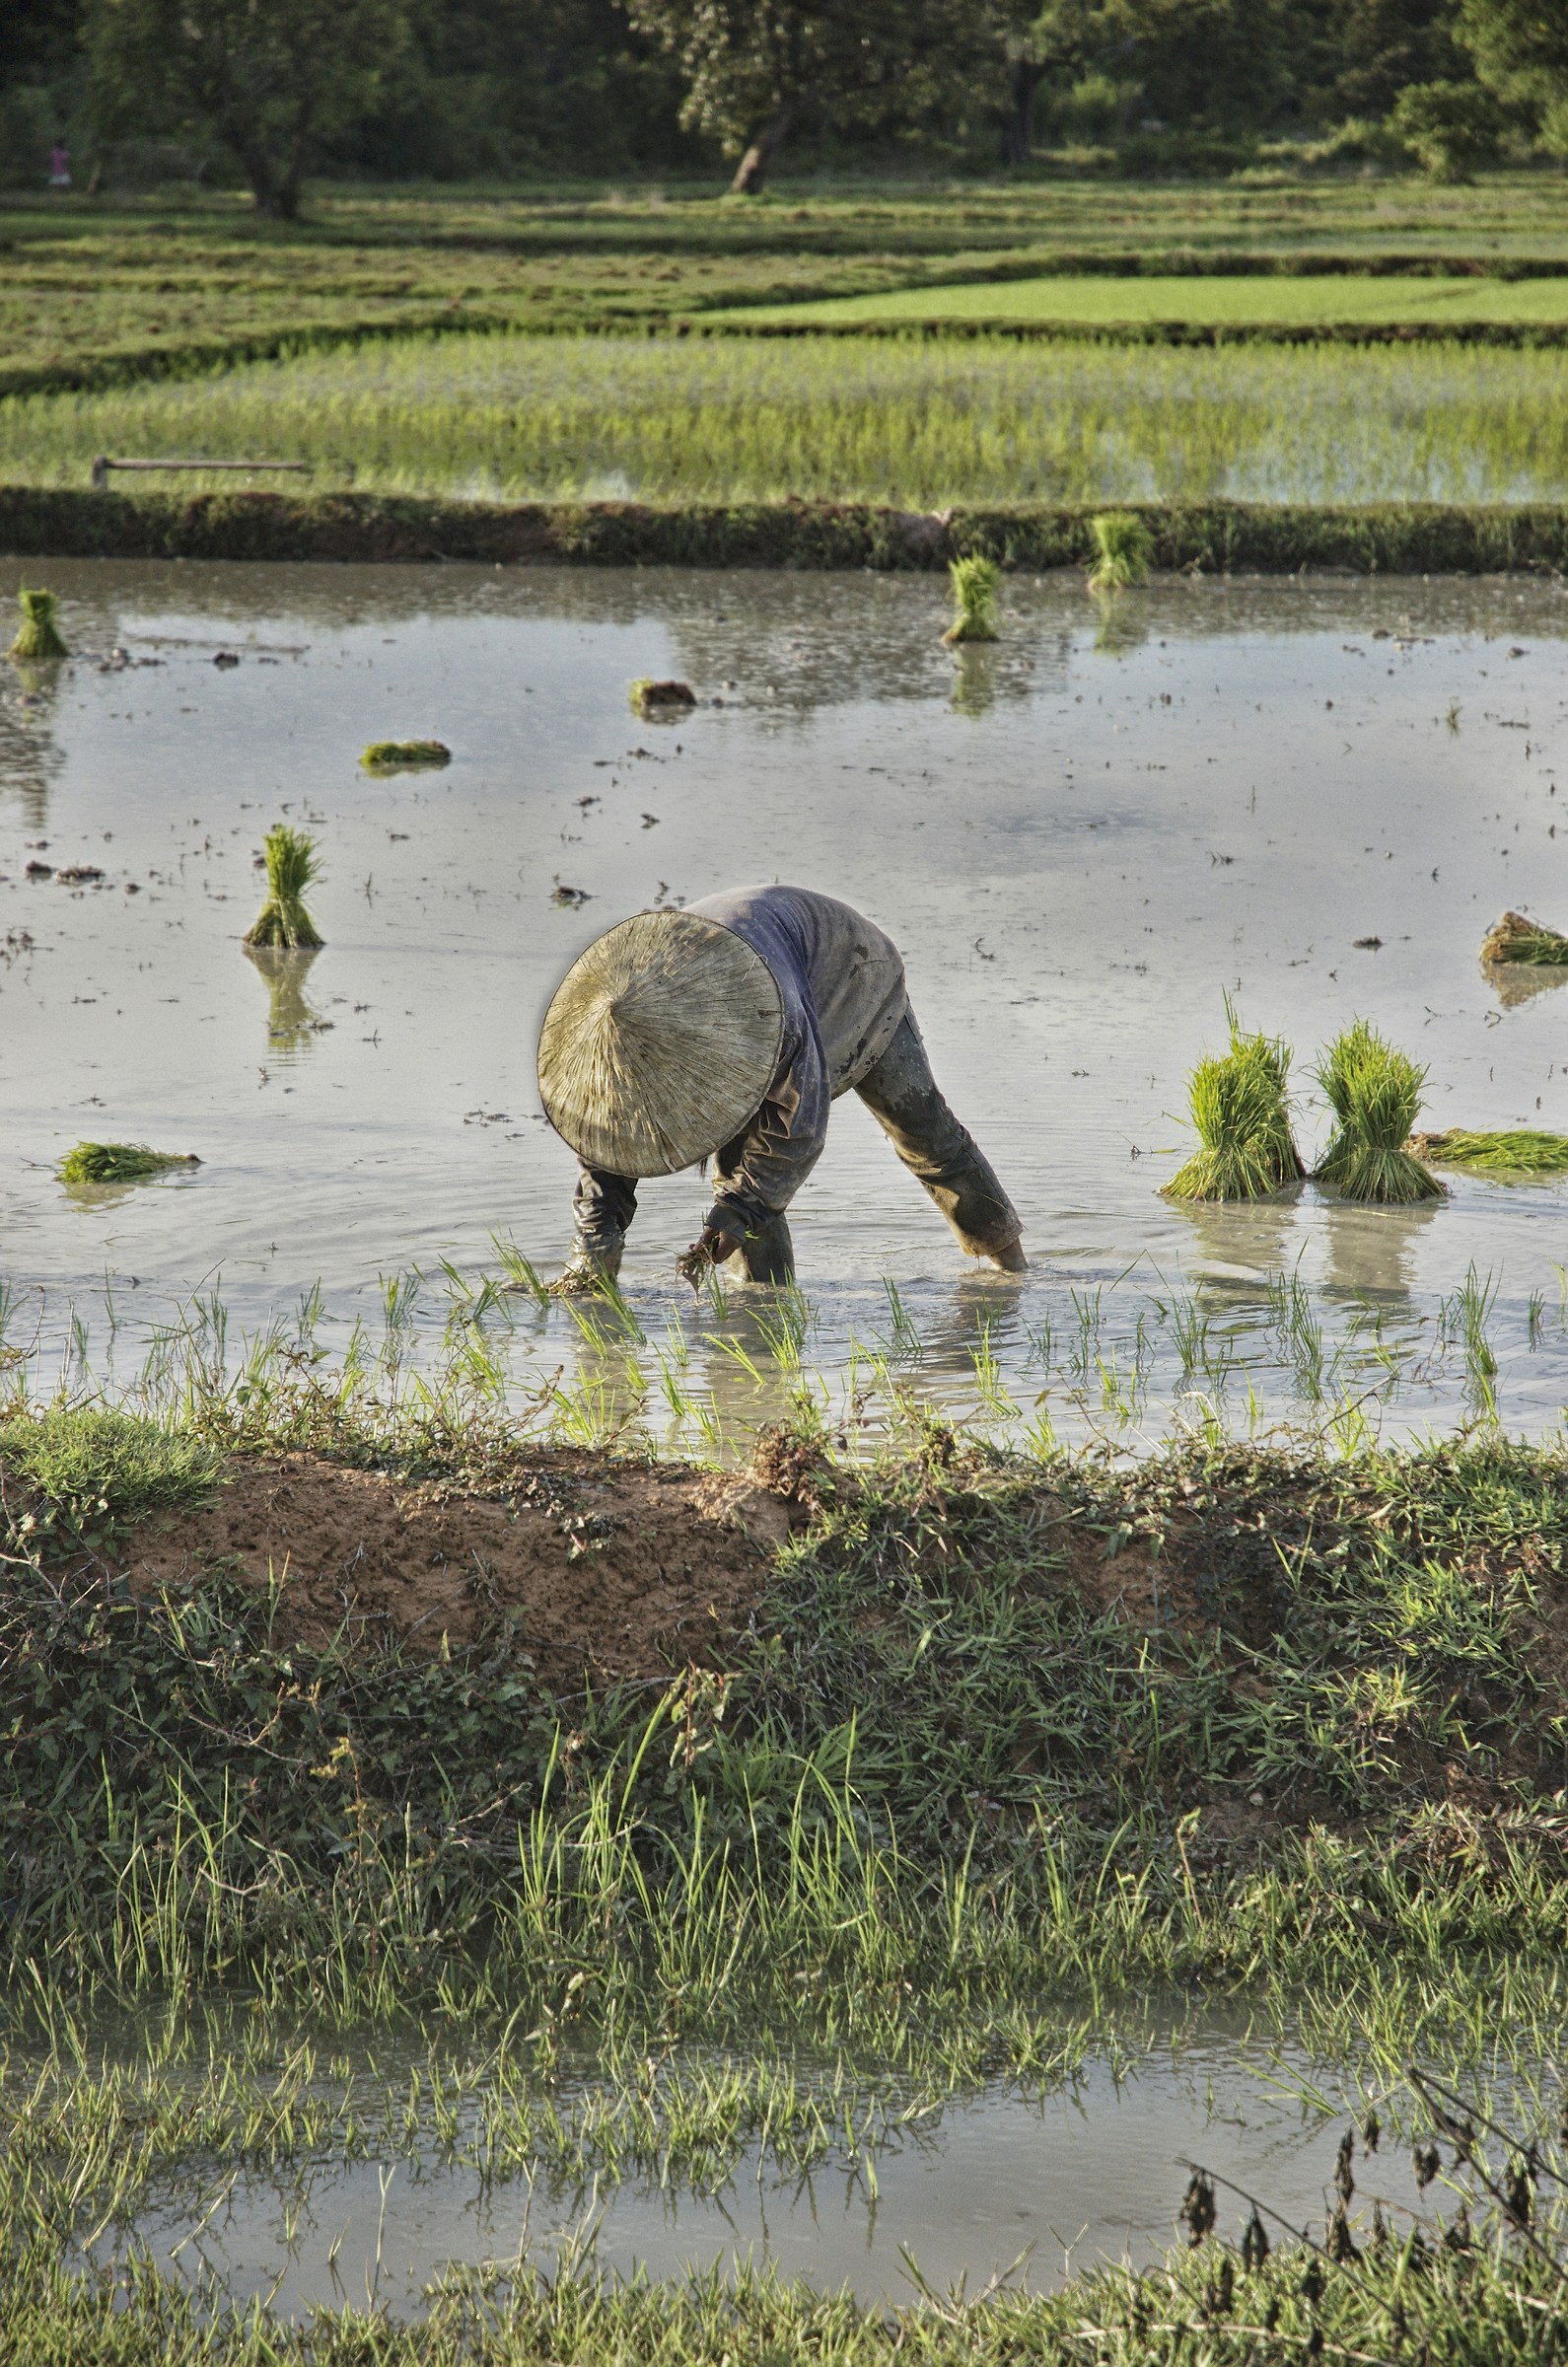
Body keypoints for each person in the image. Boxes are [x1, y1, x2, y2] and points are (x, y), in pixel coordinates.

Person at [536, 882, 1026, 1290]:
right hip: (749, 965)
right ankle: (764, 1307)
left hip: (848, 968)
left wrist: (740, 1209)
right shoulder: (609, 1047)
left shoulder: (766, 1012)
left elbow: (799, 1122)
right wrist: (594, 1256)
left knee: (920, 1129)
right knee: (739, 1178)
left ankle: (1012, 1271)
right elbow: (605, 1151)